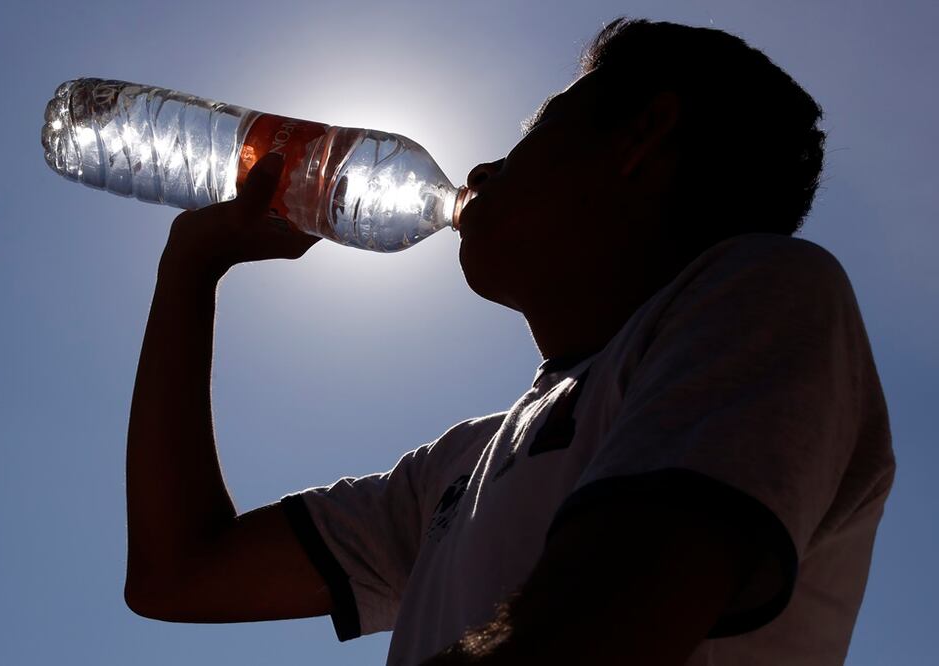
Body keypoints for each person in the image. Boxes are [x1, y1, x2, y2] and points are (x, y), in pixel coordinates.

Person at [123, 17, 895, 666]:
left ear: (643, 138)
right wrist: (189, 272)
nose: (483, 168)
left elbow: (597, 622)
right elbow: (178, 575)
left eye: (535, 132)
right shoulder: (455, 468)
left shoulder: (768, 291)